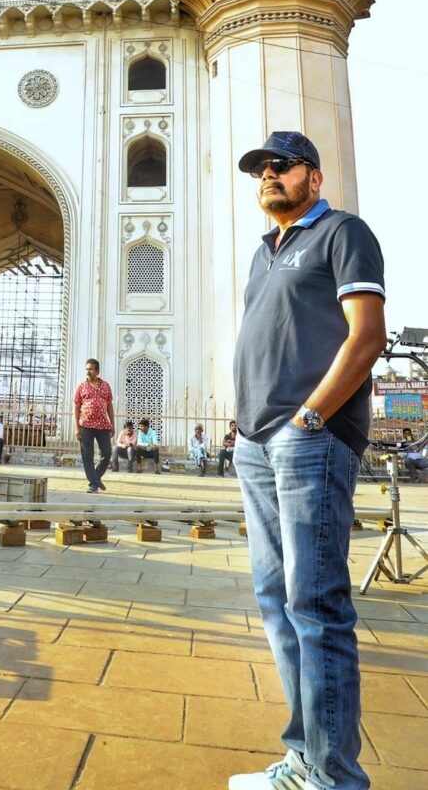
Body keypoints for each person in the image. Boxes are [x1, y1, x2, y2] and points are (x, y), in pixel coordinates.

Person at [230, 131, 386, 790]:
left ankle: (332, 777)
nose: (268, 176)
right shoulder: (266, 253)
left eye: (282, 166)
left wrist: (311, 418)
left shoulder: (342, 233)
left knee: (315, 608)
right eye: (261, 169)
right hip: (256, 442)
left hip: (309, 442)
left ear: (313, 179)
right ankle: (304, 759)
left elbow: (367, 335)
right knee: (275, 600)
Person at [73, 358, 114, 493]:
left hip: (103, 425)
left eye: (90, 369)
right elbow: (77, 407)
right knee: (87, 455)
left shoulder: (106, 386)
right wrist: (77, 428)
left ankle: (96, 477)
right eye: (86, 369)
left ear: (97, 370)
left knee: (107, 453)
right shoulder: (81, 387)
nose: (88, 372)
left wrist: (112, 424)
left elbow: (109, 406)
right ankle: (93, 483)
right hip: (86, 425)